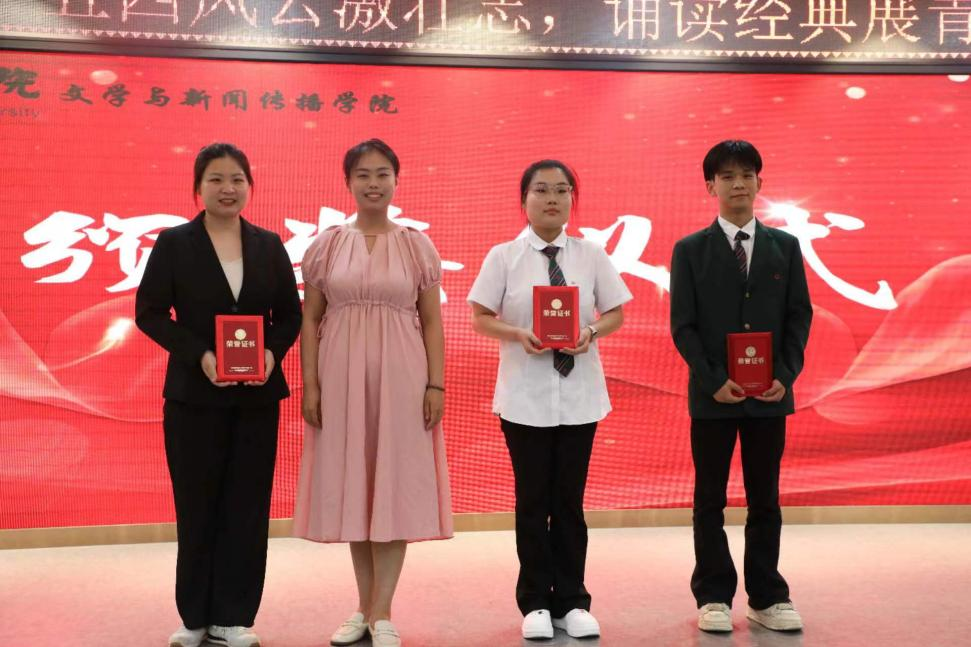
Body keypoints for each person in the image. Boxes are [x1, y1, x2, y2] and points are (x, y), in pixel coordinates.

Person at [135, 142, 302, 647]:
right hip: (193, 398)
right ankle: (194, 616)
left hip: (256, 400)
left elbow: (289, 315)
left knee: (247, 506)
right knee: (196, 505)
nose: (227, 189)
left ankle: (233, 615)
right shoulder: (174, 243)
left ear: (250, 186)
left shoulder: (269, 245)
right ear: (198, 187)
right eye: (216, 179)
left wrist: (271, 353)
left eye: (237, 180)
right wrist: (200, 355)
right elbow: (149, 313)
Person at [293, 139, 453, 647]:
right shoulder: (327, 246)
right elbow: (310, 319)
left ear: (396, 180)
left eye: (383, 173)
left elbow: (432, 322)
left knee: (392, 486)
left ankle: (382, 611)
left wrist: (435, 383)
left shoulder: (416, 246)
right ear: (348, 182)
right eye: (362, 174)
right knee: (358, 488)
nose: (373, 183)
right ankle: (363, 608)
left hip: (403, 378)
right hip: (340, 378)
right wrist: (311, 384)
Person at [467, 160, 632, 641]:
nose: (552, 199)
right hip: (525, 398)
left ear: (572, 200)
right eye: (541, 190)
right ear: (524, 199)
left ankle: (573, 601)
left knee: (569, 503)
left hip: (579, 398)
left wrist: (591, 331)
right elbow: (480, 316)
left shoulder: (591, 254)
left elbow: (615, 311)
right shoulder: (504, 256)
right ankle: (536, 602)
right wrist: (517, 333)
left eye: (562, 190)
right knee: (532, 501)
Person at [669, 140, 813, 633]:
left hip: (769, 397)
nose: (738, 184)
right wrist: (714, 380)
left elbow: (799, 317)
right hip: (713, 398)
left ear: (759, 183)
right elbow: (683, 326)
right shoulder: (690, 250)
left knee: (765, 499)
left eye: (746, 175)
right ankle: (713, 595)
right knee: (709, 500)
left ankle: (768, 596)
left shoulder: (785, 247)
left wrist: (784, 376)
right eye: (727, 176)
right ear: (710, 186)